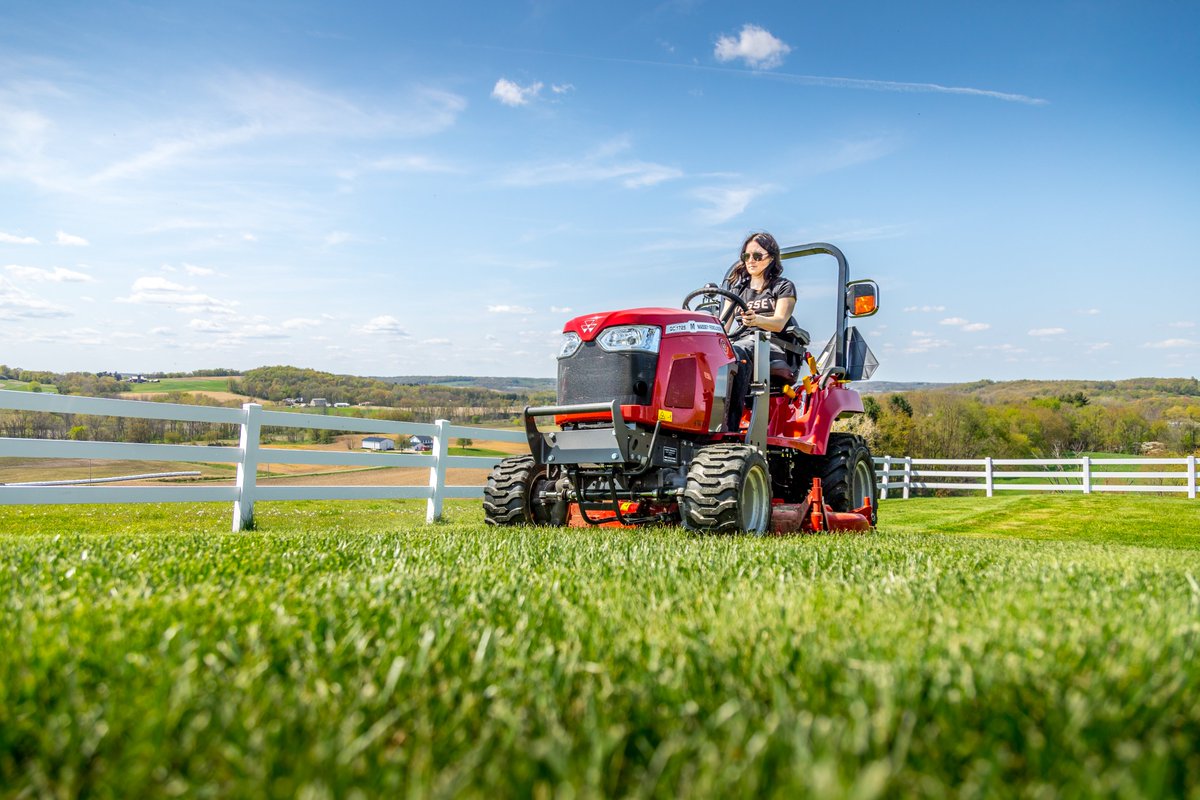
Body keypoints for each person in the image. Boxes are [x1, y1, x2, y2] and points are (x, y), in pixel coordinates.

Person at [720, 231, 797, 429]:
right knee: (714, 353)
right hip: (742, 341)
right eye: (746, 256)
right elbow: (723, 327)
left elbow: (779, 322)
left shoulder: (782, 287)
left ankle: (729, 426)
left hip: (771, 344)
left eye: (757, 256)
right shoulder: (736, 290)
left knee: (738, 353)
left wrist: (758, 320)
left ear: (771, 257)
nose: (751, 261)